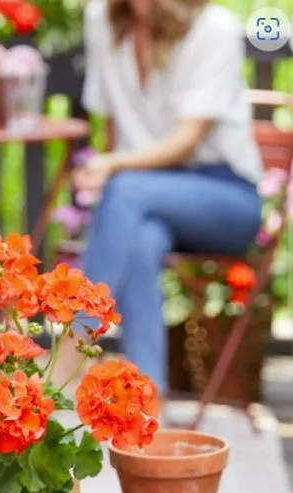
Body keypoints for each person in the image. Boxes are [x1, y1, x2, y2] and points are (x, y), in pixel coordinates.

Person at [72, 0, 263, 396]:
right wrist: (109, 174)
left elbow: (187, 139)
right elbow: (111, 122)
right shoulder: (101, 19)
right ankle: (149, 396)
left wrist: (113, 166)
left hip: (227, 198)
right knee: (141, 239)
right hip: (144, 195)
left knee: (126, 190)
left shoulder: (214, 28)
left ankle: (71, 349)